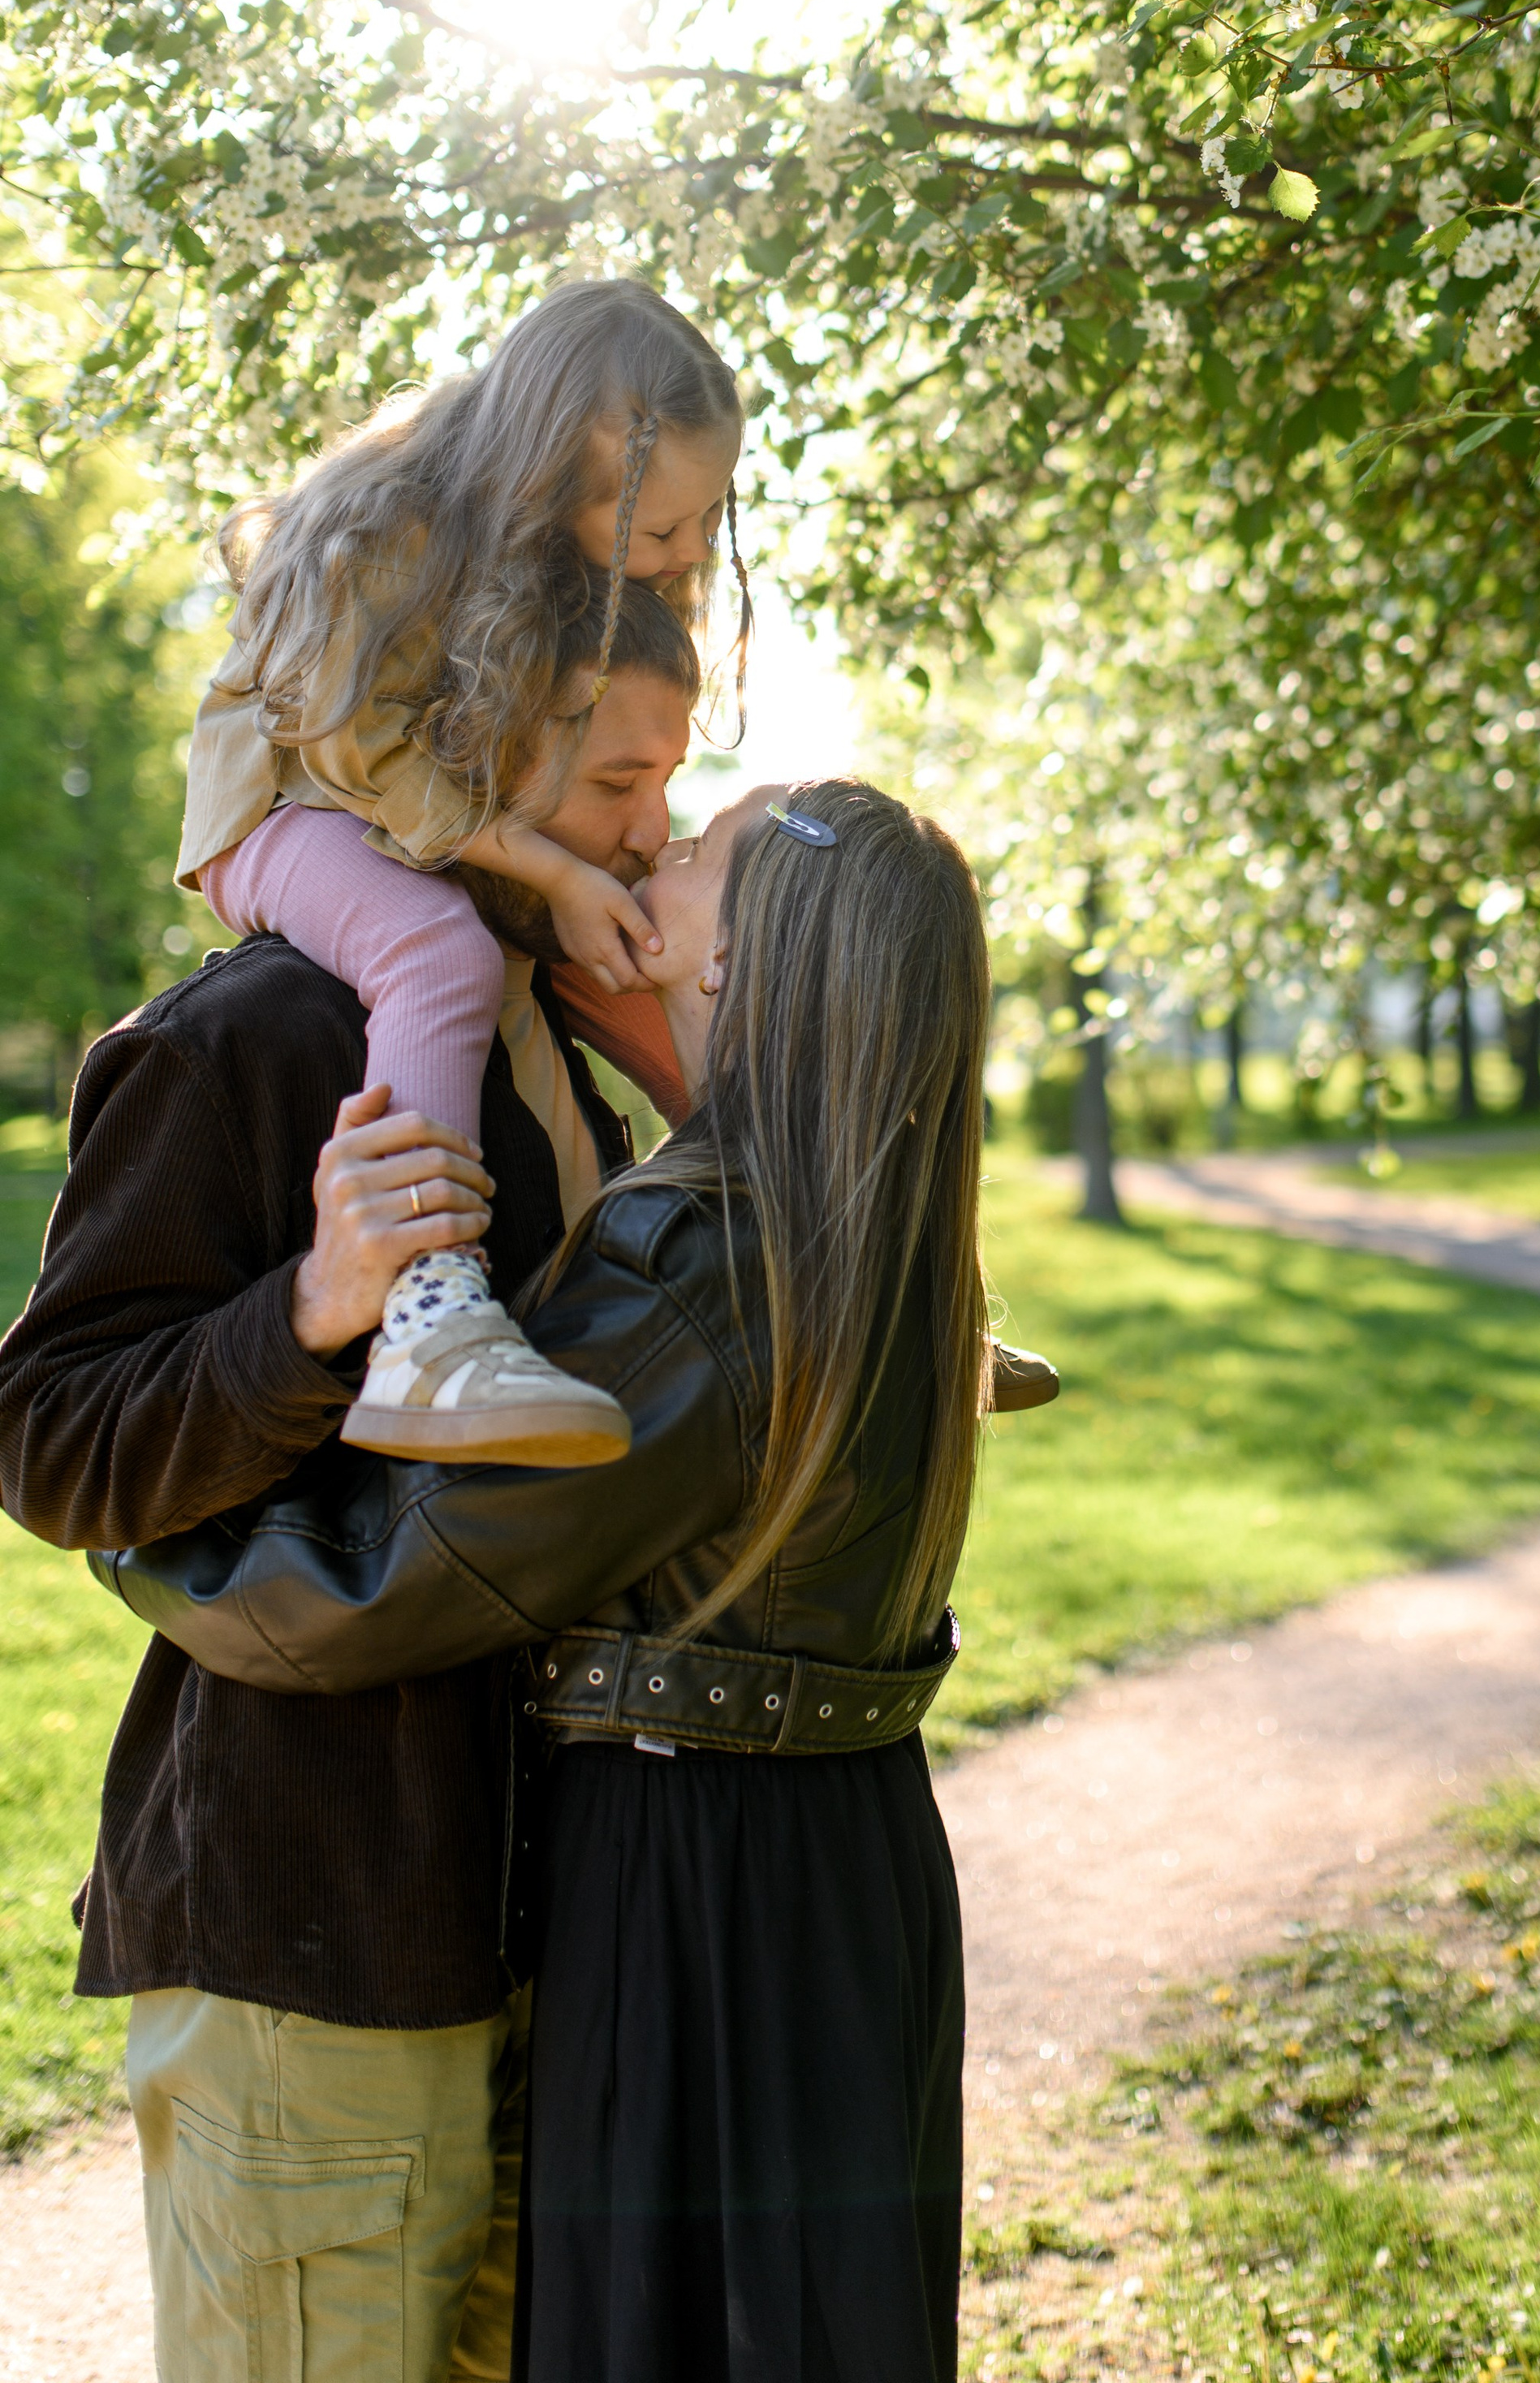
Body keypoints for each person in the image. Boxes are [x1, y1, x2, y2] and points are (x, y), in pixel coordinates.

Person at [101, 778, 1007, 2383]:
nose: (645, 852)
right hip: (834, 1867)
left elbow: (387, 1585)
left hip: (701, 1885)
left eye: (691, 854)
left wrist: (141, 1519)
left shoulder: (716, 1258)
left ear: (741, 960)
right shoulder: (869, 1227)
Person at [0, 582, 705, 2383]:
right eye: (620, 779)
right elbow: (52, 1440)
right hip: (310, 1924)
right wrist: (311, 1307)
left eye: (669, 780)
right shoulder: (255, 1036)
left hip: (543, 1918)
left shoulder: (546, 1048)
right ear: (477, 756)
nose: (653, 825)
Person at [179, 273, 745, 1466]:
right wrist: (545, 867)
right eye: (659, 532)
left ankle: (802, 1228)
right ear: (551, 474)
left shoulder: (573, 565)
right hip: (292, 805)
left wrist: (575, 884)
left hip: (437, 814)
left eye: (708, 520)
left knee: (627, 958)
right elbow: (356, 749)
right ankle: (428, 1318)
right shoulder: (396, 527)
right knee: (435, 946)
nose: (687, 553)